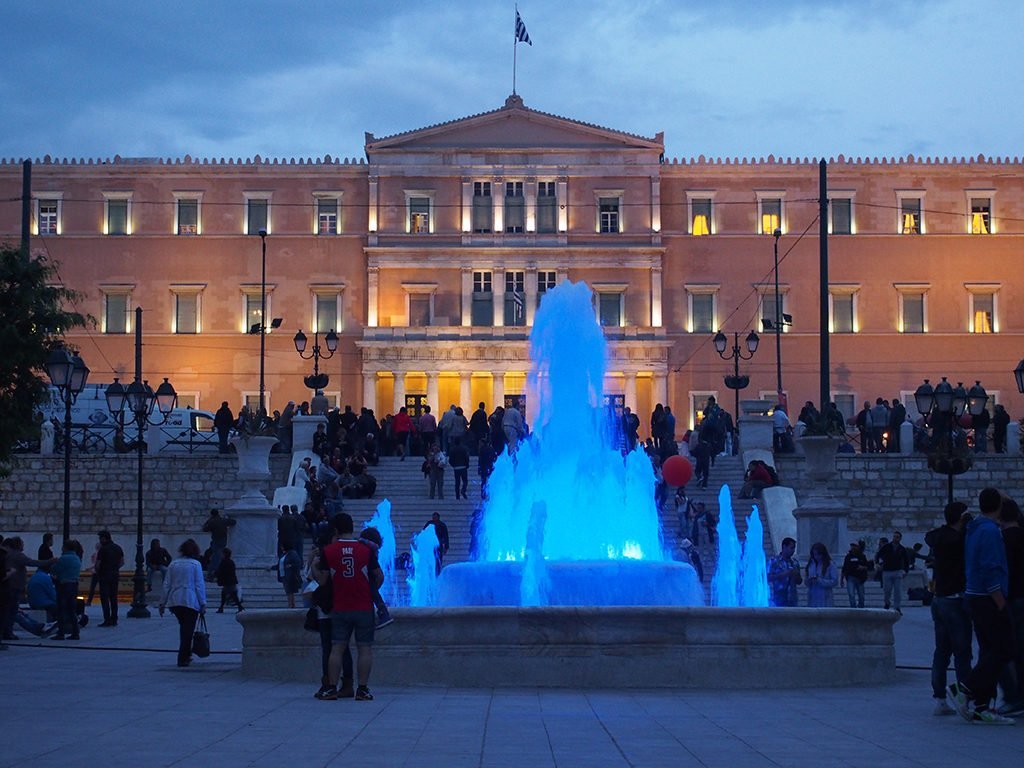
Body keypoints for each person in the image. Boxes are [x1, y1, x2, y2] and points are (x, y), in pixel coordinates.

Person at [948, 488, 1016, 724]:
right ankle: (965, 688)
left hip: (975, 596)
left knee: (989, 650)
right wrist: (999, 600)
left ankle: (981, 706)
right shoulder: (989, 531)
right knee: (1003, 648)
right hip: (988, 598)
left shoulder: (975, 528)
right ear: (998, 505)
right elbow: (990, 567)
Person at [313, 513, 384, 702]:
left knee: (337, 648)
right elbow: (379, 576)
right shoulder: (365, 550)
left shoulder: (329, 551)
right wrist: (369, 591)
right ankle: (362, 689)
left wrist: (313, 566)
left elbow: (322, 580)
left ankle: (331, 688)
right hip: (363, 606)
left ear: (335, 530)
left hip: (341, 605)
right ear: (352, 528)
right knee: (365, 648)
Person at [925, 501, 973, 716]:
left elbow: (931, 535)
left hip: (939, 599)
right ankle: (964, 697)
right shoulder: (959, 540)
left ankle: (940, 699)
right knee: (962, 653)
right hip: (954, 600)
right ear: (961, 518)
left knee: (941, 652)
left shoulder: (939, 537)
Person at [159, 539, 207, 668]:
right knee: (187, 630)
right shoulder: (195, 564)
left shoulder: (173, 564)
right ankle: (183, 657)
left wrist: (162, 603)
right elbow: (199, 585)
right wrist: (203, 603)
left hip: (175, 601)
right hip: (190, 600)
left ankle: (186, 654)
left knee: (184, 628)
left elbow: (167, 584)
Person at [997, 496, 1024, 717]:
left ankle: (1014, 697)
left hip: (1012, 599)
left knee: (1005, 649)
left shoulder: (1004, 539)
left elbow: (1005, 572)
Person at [50, 539, 83, 641]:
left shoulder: (63, 559)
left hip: (63, 585)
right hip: (74, 585)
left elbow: (54, 569)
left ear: (65, 548)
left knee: (61, 609)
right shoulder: (77, 558)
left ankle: (61, 633)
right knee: (72, 610)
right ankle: (75, 632)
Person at [95, 530, 124, 628]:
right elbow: (122, 562)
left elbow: (98, 564)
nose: (99, 540)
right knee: (113, 597)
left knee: (104, 598)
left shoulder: (103, 549)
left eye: (100, 538)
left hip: (104, 575)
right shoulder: (118, 548)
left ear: (104, 538)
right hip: (115, 574)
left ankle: (107, 619)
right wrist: (115, 568)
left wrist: (98, 571)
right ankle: (114, 619)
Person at [876, 530, 909, 613]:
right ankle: (887, 602)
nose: (895, 538)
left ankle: (897, 607)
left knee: (898, 590)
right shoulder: (887, 546)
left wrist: (906, 571)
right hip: (887, 571)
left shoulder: (902, 549)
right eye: (894, 536)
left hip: (897, 571)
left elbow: (906, 560)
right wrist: (877, 563)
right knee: (887, 590)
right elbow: (878, 554)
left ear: (900, 538)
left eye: (897, 537)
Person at [768, 537, 802, 607]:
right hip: (779, 597)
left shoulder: (795, 562)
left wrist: (796, 574)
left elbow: (799, 581)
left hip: (792, 597)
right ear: (784, 547)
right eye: (791, 548)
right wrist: (783, 574)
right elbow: (768, 578)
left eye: (794, 548)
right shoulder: (774, 561)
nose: (793, 551)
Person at [202, 509, 236, 575]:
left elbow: (204, 529)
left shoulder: (212, 522)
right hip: (223, 541)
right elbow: (233, 522)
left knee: (216, 555)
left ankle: (213, 570)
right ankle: (215, 570)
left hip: (215, 541)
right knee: (218, 555)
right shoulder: (223, 520)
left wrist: (208, 520)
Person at [805, 542, 838, 607]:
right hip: (813, 595)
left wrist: (820, 580)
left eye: (818, 554)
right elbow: (806, 582)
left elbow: (834, 581)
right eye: (815, 554)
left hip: (825, 595)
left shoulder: (830, 564)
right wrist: (809, 580)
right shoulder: (811, 564)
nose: (816, 557)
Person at [840, 540, 870, 609]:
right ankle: (853, 608)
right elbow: (844, 568)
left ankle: (861, 608)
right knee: (851, 594)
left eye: (855, 546)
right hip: (850, 577)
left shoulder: (862, 556)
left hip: (860, 578)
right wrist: (842, 579)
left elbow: (867, 566)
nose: (853, 547)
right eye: (852, 546)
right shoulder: (848, 557)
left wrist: (862, 567)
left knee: (861, 596)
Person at [214, 547, 244, 613]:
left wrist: (216, 575)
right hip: (230, 581)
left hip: (228, 581)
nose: (221, 555)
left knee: (230, 595)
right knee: (229, 594)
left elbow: (222, 571)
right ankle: (238, 607)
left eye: (222, 554)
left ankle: (238, 607)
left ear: (224, 554)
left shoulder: (225, 562)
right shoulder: (230, 561)